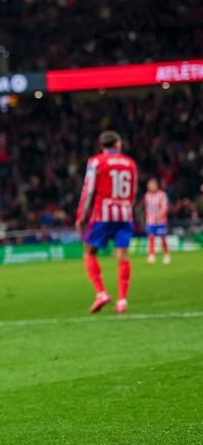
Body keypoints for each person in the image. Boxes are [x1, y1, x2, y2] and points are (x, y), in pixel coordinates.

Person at [76, 131, 138, 314]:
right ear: (118, 144)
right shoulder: (130, 163)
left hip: (102, 214)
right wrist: (125, 206)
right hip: (125, 214)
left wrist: (81, 216)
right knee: (123, 256)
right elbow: (133, 192)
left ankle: (101, 293)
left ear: (101, 145)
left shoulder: (96, 162)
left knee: (88, 252)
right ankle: (122, 301)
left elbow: (88, 190)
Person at [142, 178, 170, 265]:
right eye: (149, 185)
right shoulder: (147, 196)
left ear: (156, 186)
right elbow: (147, 208)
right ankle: (151, 256)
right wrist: (148, 218)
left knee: (162, 238)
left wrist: (159, 215)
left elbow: (165, 207)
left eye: (152, 185)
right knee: (151, 238)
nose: (150, 187)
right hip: (151, 221)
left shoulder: (162, 195)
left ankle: (166, 255)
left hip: (161, 221)